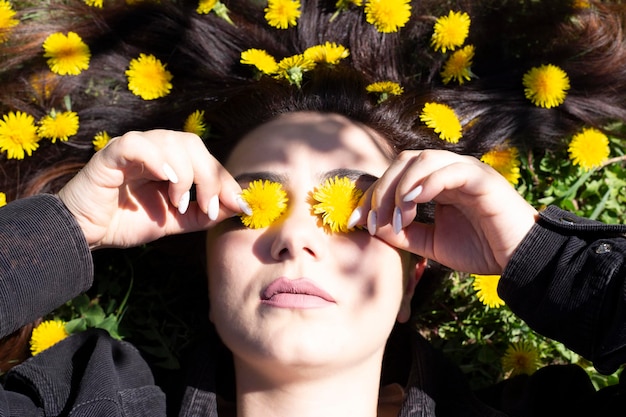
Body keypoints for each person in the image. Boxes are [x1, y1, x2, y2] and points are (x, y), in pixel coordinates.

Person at [1, 0, 625, 415]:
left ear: (412, 279)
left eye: (351, 207)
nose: (295, 237)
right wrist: (67, 228)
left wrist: (541, 258)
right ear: (211, 269)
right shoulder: (83, 400)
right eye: (250, 208)